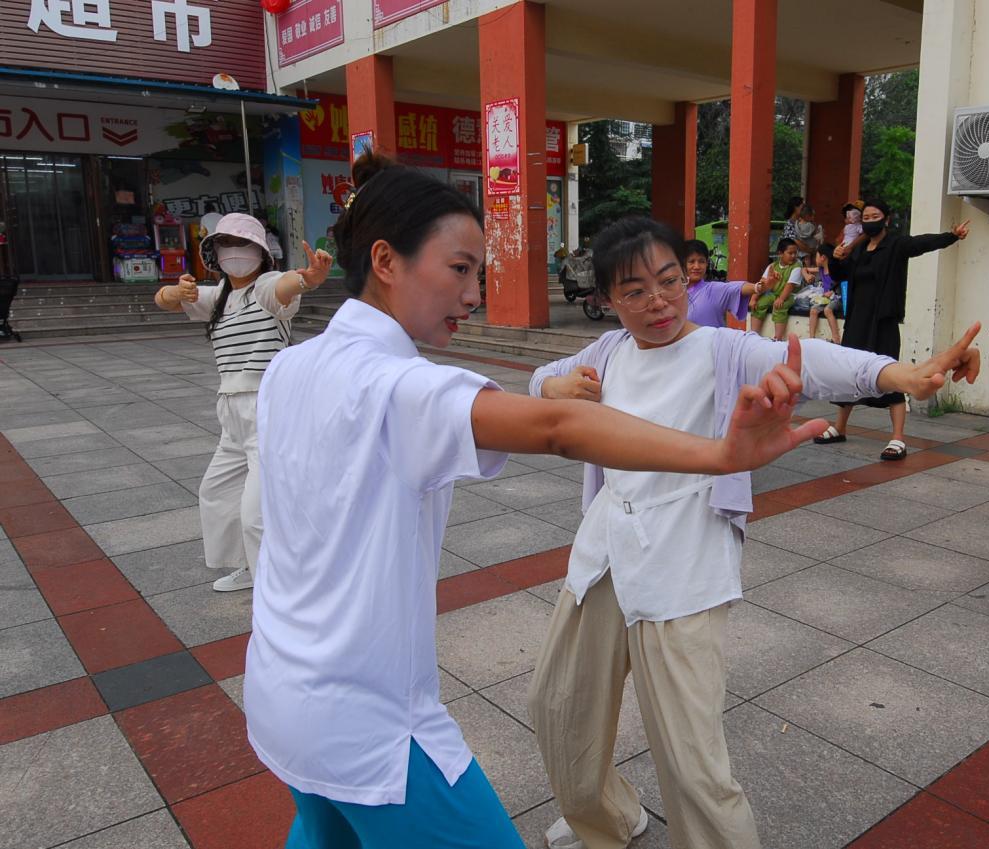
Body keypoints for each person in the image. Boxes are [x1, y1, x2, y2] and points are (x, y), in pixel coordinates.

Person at [243, 158, 831, 849]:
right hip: (369, 727)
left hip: (277, 692)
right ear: (385, 260)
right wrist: (720, 456)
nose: (473, 293)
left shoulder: (289, 367)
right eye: (460, 269)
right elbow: (558, 429)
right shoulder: (399, 387)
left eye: (479, 274)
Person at [526, 216, 982, 849]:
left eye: (667, 281)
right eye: (633, 291)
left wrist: (899, 376)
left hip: (682, 567)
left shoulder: (722, 349)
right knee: (560, 711)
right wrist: (552, 385)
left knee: (692, 762)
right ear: (606, 299)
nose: (657, 301)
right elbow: (537, 382)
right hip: (601, 557)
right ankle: (607, 817)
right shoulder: (605, 353)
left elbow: (812, 361)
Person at [153, 213, 333, 592]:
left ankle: (276, 582)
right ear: (214, 253)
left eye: (243, 245)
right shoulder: (218, 296)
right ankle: (250, 568)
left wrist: (307, 278)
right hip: (231, 410)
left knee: (256, 513)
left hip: (267, 407)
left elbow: (284, 287)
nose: (234, 253)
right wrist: (175, 292)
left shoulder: (265, 286)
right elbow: (163, 301)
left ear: (261, 253)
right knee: (216, 493)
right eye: (226, 245)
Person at [813, 202, 970, 454]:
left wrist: (951, 236)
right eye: (866, 217)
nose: (870, 220)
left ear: (886, 219)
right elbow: (841, 275)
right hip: (857, 322)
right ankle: (840, 428)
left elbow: (922, 243)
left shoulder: (896, 245)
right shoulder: (859, 248)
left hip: (882, 322)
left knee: (891, 376)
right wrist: (837, 258)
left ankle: (897, 439)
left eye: (875, 216)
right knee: (847, 374)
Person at [682, 238, 757, 328]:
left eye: (701, 261)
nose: (697, 266)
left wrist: (757, 287)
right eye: (691, 262)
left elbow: (737, 288)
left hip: (713, 341)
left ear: (707, 264)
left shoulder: (713, 289)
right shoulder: (675, 293)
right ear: (683, 264)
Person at [748, 237, 804, 340]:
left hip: (790, 296)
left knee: (779, 306)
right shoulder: (772, 266)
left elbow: (790, 286)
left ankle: (777, 338)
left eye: (795, 253)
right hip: (773, 294)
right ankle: (753, 335)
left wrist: (781, 299)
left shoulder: (797, 266)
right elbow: (763, 282)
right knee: (759, 304)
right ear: (780, 253)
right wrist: (753, 299)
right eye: (790, 253)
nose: (793, 256)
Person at [807, 243, 843, 344]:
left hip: (837, 298)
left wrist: (831, 292)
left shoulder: (835, 270)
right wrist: (806, 275)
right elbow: (804, 269)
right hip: (826, 298)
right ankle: (811, 339)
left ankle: (836, 339)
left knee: (828, 310)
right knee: (813, 310)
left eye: (816, 256)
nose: (815, 259)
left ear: (823, 257)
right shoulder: (821, 269)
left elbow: (840, 285)